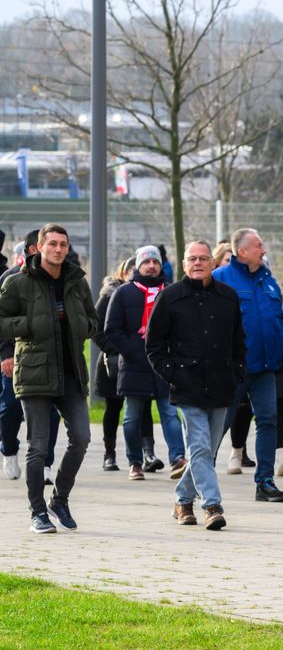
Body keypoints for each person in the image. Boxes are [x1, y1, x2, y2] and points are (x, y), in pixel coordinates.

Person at [0, 224, 98, 534]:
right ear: (39, 247)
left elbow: (94, 322)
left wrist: (79, 324)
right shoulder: (17, 283)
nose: (58, 249)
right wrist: (30, 324)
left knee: (81, 438)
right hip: (34, 372)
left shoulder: (77, 282)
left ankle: (60, 499)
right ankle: (37, 512)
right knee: (38, 446)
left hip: (71, 372)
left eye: (63, 245)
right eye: (52, 244)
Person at [146, 241, 246, 531]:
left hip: (221, 385)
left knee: (206, 451)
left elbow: (238, 340)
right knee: (200, 446)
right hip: (187, 385)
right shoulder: (170, 297)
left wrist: (239, 370)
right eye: (192, 259)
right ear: (184, 262)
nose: (198, 263)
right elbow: (154, 345)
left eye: (204, 258)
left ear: (213, 263)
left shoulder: (228, 297)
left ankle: (182, 500)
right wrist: (172, 374)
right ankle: (212, 506)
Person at [212, 228, 283, 503]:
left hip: (266, 367)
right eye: (259, 245)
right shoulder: (220, 279)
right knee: (218, 425)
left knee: (268, 421)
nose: (264, 249)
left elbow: (277, 319)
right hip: (232, 369)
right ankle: (201, 481)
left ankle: (265, 482)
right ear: (241, 251)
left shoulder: (267, 280)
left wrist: (282, 347)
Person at [105, 245, 186, 480]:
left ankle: (178, 458)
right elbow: (111, 329)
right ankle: (135, 461)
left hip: (164, 365)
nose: (151, 266)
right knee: (131, 417)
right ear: (138, 266)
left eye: (155, 262)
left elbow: (182, 327)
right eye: (146, 262)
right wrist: (134, 348)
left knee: (170, 414)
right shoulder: (124, 293)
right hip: (134, 365)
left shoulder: (171, 292)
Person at [1, 230, 62, 484]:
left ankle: (45, 464)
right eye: (48, 245)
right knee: (10, 409)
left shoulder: (62, 278)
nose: (56, 251)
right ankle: (9, 449)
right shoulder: (11, 278)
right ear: (34, 249)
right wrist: (5, 354)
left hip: (51, 359)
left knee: (51, 414)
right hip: (18, 358)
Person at [93, 257, 135, 471]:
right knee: (114, 407)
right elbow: (97, 330)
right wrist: (119, 349)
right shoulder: (109, 294)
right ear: (123, 272)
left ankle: (144, 454)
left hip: (140, 362)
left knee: (141, 408)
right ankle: (109, 453)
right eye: (132, 269)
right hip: (114, 362)